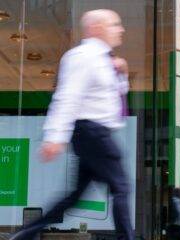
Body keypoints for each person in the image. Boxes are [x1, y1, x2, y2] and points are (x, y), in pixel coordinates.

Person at [10, 9, 134, 240]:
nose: (121, 29)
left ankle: (26, 234)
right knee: (121, 187)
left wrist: (122, 75)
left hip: (95, 132)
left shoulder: (105, 60)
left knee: (75, 196)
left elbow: (112, 98)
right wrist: (55, 137)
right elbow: (67, 96)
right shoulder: (82, 56)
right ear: (97, 28)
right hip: (92, 132)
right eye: (115, 25)